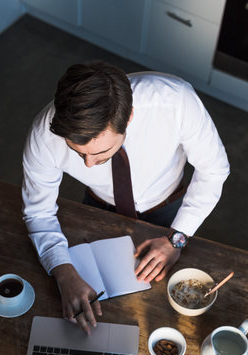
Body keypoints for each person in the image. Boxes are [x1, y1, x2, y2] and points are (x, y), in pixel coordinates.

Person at [22, 60, 230, 334]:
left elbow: (214, 170)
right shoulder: (42, 136)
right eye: (78, 152)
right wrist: (63, 272)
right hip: (98, 208)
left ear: (129, 117)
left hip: (170, 209)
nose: (87, 164)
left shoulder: (177, 101)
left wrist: (176, 239)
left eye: (100, 152)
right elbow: (38, 212)